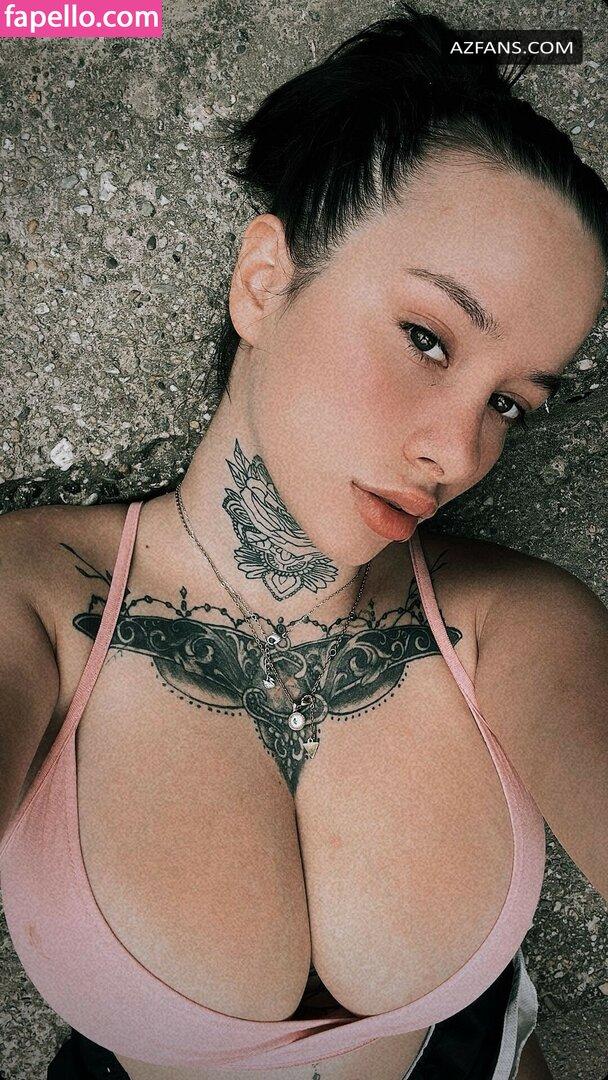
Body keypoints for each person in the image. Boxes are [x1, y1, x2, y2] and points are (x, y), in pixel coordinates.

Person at [0, 3, 607, 1079]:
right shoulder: (37, 600)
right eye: (426, 338)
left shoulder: (517, 626)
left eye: (510, 403)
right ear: (265, 280)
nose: (458, 451)